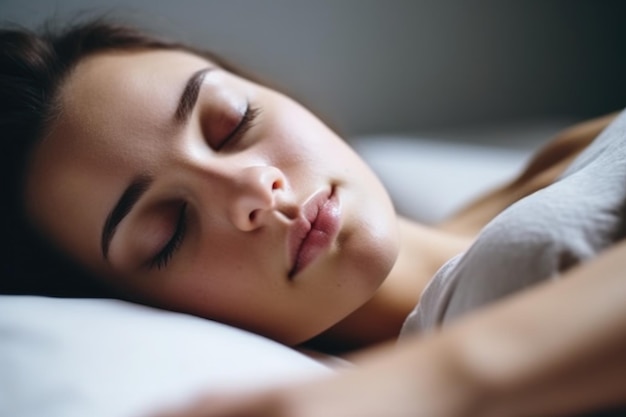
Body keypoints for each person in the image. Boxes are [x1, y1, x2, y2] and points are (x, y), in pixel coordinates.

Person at [1, 17, 625, 417]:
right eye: (169, 230)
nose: (252, 188)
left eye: (231, 122)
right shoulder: (491, 306)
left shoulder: (543, 166)